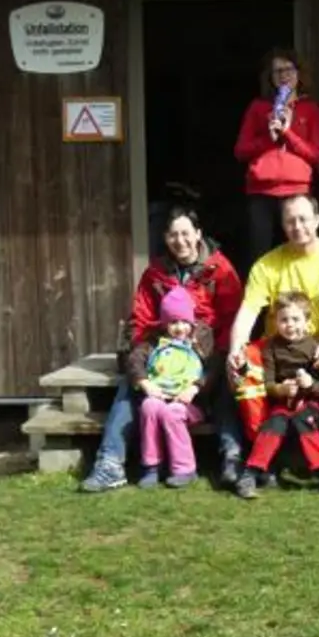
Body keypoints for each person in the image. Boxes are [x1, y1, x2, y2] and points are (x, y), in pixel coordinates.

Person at [82, 208, 244, 493]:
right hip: (162, 354)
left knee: (226, 385)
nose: (180, 241)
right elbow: (140, 319)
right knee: (130, 386)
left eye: (185, 233)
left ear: (197, 234)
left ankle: (233, 458)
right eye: (173, 235)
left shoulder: (221, 271)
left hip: (207, 355)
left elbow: (231, 322)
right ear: (165, 238)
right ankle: (110, 462)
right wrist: (143, 361)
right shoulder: (154, 273)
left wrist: (209, 369)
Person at [227, 194, 319, 483]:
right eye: (290, 220)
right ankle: (261, 451)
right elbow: (248, 312)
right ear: (283, 225)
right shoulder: (267, 265)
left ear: (317, 220)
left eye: (303, 219)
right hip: (277, 347)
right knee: (244, 362)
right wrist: (235, 349)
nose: (298, 226)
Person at [233, 291, 319, 499]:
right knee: (274, 424)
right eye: (284, 320)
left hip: (309, 404)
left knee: (305, 419)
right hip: (282, 404)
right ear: (276, 321)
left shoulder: (314, 347)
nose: (289, 325)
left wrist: (310, 383)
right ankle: (251, 473)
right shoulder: (271, 348)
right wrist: (281, 389)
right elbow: (268, 384)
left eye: (295, 319)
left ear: (306, 320)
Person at [234, 47, 319, 264]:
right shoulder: (258, 108)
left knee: (299, 252)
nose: (284, 75)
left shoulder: (310, 109)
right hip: (262, 192)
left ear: (299, 73)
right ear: (270, 77)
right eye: (277, 71)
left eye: (289, 69)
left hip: (297, 191)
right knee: (260, 255)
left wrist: (287, 134)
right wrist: (269, 137)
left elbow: (316, 154)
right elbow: (241, 151)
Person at [130, 288, 212, 489]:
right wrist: (145, 383)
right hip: (159, 396)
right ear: (165, 323)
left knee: (172, 413)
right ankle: (151, 466)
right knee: (149, 407)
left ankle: (184, 469)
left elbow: (213, 368)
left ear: (191, 323)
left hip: (189, 403)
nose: (179, 327)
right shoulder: (154, 343)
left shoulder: (200, 343)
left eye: (184, 322)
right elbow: (134, 360)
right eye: (173, 322)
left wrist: (195, 388)